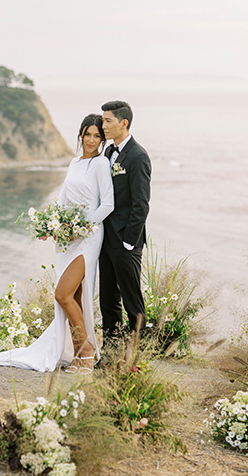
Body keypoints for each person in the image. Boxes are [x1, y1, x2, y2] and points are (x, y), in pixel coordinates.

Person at [0, 114, 114, 373]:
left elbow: (107, 204)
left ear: (102, 139)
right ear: (81, 135)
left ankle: (86, 350)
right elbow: (63, 198)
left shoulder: (100, 164)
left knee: (62, 294)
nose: (92, 140)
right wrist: (49, 223)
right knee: (73, 296)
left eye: (98, 136)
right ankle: (78, 355)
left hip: (88, 238)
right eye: (88, 134)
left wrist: (81, 228)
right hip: (66, 239)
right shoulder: (74, 163)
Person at [99, 100, 151, 343]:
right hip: (106, 238)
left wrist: (129, 242)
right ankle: (111, 351)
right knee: (108, 299)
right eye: (103, 120)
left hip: (126, 241)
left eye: (108, 120)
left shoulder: (138, 156)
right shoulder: (109, 152)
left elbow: (141, 204)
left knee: (132, 300)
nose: (103, 125)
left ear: (124, 122)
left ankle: (137, 355)